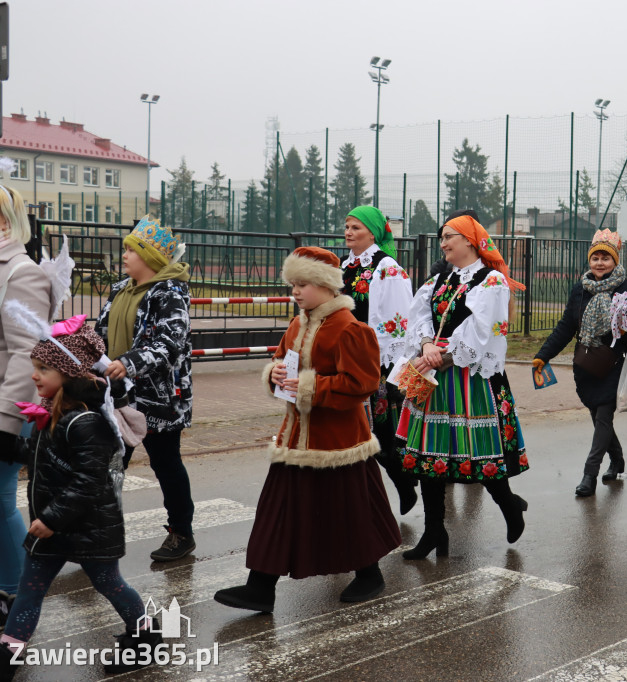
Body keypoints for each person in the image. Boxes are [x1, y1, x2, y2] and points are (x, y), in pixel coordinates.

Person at [214, 247, 401, 613]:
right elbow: (282, 361)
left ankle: (370, 574)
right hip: (294, 437)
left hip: (339, 442)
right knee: (276, 510)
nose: (295, 292)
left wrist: (308, 386)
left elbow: (361, 383)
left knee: (348, 511)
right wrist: (276, 375)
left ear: (327, 286)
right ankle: (260, 587)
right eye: (293, 284)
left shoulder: (351, 328)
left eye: (303, 284)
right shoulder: (298, 323)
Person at [0, 315, 160, 679]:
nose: (34, 375)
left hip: (87, 527)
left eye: (42, 368)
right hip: (53, 528)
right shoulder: (55, 416)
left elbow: (88, 481)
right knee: (28, 592)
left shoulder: (86, 422)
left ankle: (145, 637)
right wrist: (11, 446)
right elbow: (45, 456)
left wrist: (51, 518)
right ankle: (7, 657)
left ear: (68, 374)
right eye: (34, 367)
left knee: (110, 584)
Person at [395, 214, 529, 559]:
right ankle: (434, 531)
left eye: (448, 237)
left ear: (470, 240)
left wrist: (444, 355)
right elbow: (420, 313)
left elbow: (485, 330)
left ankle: (509, 506)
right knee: (430, 456)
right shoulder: (441, 277)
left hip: (470, 377)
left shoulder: (492, 280)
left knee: (479, 450)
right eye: (441, 238)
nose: (443, 244)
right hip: (435, 375)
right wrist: (426, 344)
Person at [95, 217, 196, 562]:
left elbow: (169, 342)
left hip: (159, 398)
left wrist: (129, 362)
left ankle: (181, 532)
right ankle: (99, 532)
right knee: (108, 463)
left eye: (130, 250)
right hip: (117, 394)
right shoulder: (120, 289)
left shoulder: (170, 293)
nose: (124, 255)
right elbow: (99, 333)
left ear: (150, 257)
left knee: (166, 463)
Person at [533, 229, 627, 497]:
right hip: (586, 364)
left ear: (615, 261)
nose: (599, 262)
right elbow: (566, 326)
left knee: (604, 415)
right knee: (598, 417)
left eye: (605, 258)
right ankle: (617, 459)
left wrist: (624, 326)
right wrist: (544, 354)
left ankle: (589, 475)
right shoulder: (580, 290)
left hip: (614, 362)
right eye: (595, 257)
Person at [340, 205, 418, 515]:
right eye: (346, 226)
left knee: (380, 434)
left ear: (372, 232)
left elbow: (400, 319)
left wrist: (390, 364)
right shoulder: (344, 266)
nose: (348, 232)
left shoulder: (387, 268)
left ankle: (402, 482)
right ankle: (381, 492)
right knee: (356, 432)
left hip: (376, 363)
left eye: (355, 227)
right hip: (346, 359)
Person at [0, 185, 50, 628]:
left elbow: (25, 352)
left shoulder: (21, 273)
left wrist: (6, 422)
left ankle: (19, 596)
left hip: (3, 410)